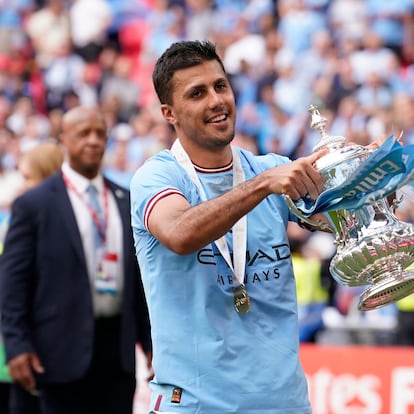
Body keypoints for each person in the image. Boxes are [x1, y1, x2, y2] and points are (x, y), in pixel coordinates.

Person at [130, 40, 328, 413]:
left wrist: (367, 181)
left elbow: (336, 220)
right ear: (169, 113)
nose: (216, 100)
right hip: (196, 405)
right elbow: (180, 233)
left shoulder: (268, 167)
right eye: (197, 93)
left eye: (221, 86)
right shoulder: (157, 177)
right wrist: (262, 185)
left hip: (284, 404)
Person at [0, 106, 152, 414]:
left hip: (117, 354)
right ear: (63, 141)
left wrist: (149, 343)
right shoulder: (35, 204)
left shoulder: (125, 199)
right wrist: (16, 345)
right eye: (83, 133)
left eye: (100, 134)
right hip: (59, 351)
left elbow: (138, 280)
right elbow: (13, 281)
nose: (93, 141)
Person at [3, 140, 64, 414]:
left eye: (28, 178)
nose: (21, 186)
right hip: (16, 351)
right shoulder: (14, 222)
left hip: (55, 351)